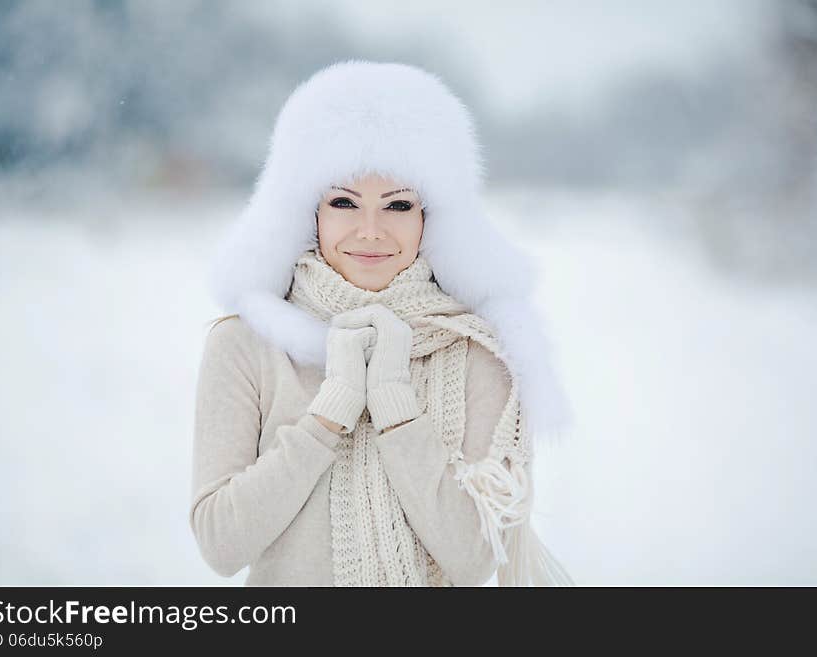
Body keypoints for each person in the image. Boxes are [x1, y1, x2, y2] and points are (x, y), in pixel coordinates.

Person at [190, 60, 576, 586]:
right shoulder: (246, 343)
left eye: (397, 205)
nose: (370, 232)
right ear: (309, 212)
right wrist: (329, 413)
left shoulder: (477, 352)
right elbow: (220, 545)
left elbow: (474, 560)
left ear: (431, 217)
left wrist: (394, 406)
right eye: (344, 201)